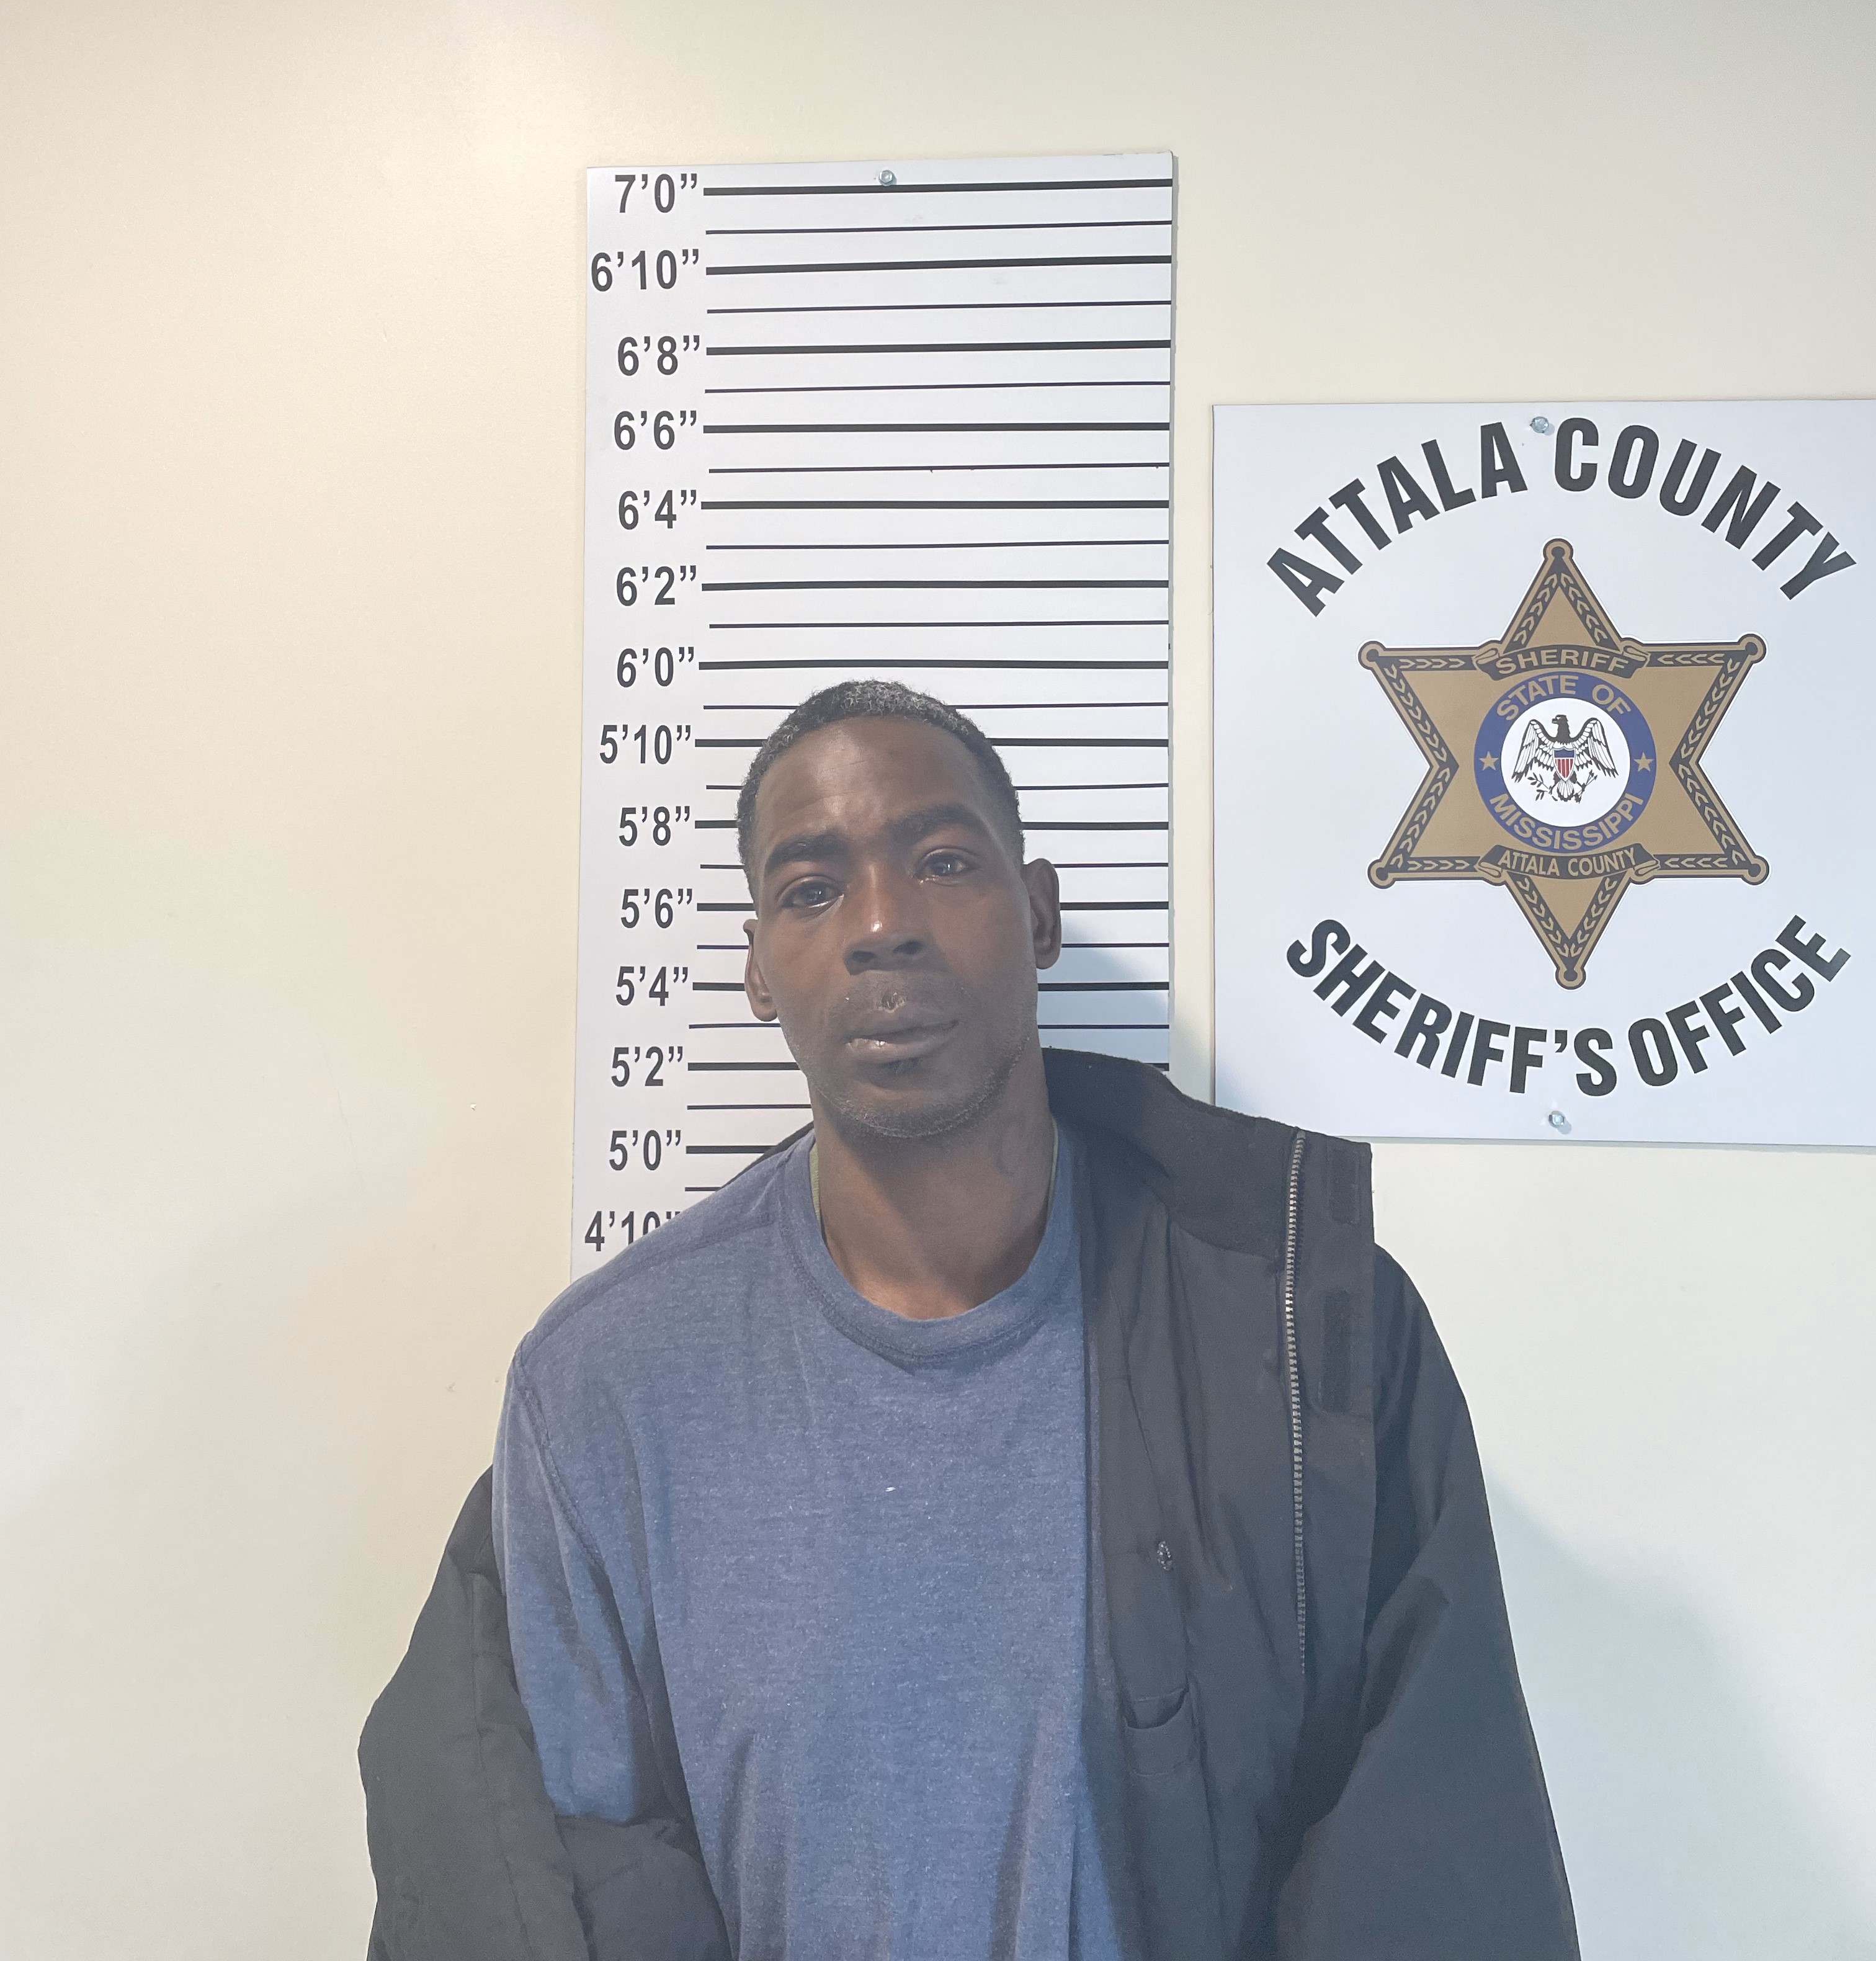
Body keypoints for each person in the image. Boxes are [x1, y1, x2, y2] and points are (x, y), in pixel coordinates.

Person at [360, 682, 1578, 1961]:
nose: (883, 924)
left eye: (942, 863)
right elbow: (562, 1892)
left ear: (1038, 912)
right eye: (812, 889)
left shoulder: (1300, 1336)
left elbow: (1435, 1857)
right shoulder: (606, 1387)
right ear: (759, 970)